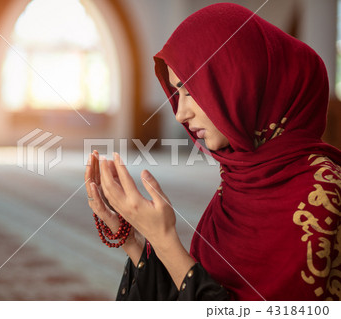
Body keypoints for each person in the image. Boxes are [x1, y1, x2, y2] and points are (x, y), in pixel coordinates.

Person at [84, 3, 341, 300]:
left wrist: (164, 239)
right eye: (176, 93)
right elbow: (205, 291)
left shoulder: (321, 193)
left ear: (242, 85)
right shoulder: (239, 180)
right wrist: (133, 239)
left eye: (191, 91)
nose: (180, 114)